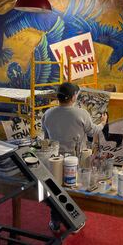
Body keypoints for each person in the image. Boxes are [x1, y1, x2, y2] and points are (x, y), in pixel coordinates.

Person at [42, 82, 107, 233]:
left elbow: (46, 138)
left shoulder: (48, 113)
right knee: (73, 189)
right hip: (76, 159)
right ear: (73, 97)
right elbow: (93, 132)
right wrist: (103, 122)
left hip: (54, 160)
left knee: (56, 190)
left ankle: (55, 220)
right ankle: (73, 221)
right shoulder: (81, 113)